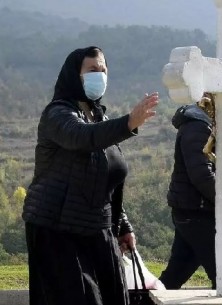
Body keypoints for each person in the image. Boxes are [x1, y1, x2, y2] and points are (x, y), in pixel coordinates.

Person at [22, 46, 159, 305]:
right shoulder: (57, 114)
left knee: (113, 296)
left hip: (98, 227)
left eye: (103, 70)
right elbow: (81, 138)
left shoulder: (98, 117)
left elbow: (107, 177)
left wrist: (124, 226)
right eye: (92, 70)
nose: (100, 75)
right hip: (57, 229)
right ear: (75, 75)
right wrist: (128, 123)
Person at [159, 92, 217, 289]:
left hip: (191, 210)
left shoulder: (199, 125)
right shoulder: (198, 127)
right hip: (197, 212)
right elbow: (200, 174)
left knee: (174, 276)